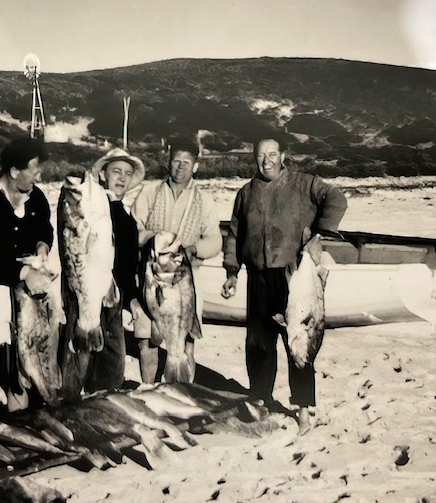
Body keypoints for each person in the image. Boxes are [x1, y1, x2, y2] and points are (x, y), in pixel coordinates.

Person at [220, 138, 347, 435]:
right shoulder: (246, 193)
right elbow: (235, 234)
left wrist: (319, 236)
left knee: (300, 341)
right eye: (261, 155)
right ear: (254, 157)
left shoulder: (304, 184)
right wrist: (231, 271)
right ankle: (262, 399)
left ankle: (303, 408)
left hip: (295, 278)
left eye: (273, 154)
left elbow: (337, 199)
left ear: (284, 155)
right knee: (259, 345)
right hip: (258, 277)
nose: (267, 160)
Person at [0, 138, 54, 420]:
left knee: (22, 368)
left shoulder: (37, 197)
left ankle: (19, 434)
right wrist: (23, 273)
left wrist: (42, 245)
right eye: (34, 170)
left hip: (25, 293)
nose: (38, 176)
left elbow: (45, 228)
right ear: (15, 171)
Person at [132, 140, 222, 384]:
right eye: (176, 161)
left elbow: (215, 240)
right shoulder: (150, 192)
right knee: (146, 340)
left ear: (195, 166)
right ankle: (149, 390)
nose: (180, 167)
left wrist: (195, 249)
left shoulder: (204, 200)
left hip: (186, 283)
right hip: (152, 277)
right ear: (168, 162)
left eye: (186, 162)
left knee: (185, 342)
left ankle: (183, 390)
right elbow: (134, 230)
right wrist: (153, 237)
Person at [84, 148, 146, 392]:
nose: (121, 178)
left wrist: (131, 299)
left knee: (112, 362)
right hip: (92, 294)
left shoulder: (124, 214)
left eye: (127, 174)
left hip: (114, 299)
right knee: (86, 357)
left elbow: (126, 266)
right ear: (103, 174)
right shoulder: (95, 207)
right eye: (116, 171)